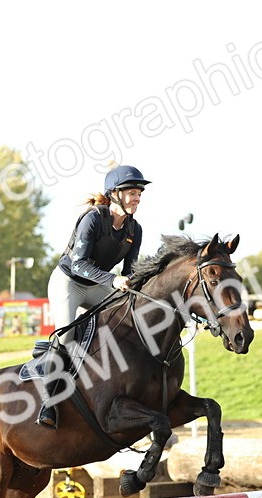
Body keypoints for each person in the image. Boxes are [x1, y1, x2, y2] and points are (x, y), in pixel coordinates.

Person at [38, 165, 150, 428]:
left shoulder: (136, 230)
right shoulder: (92, 219)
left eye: (139, 194)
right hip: (69, 282)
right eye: (132, 192)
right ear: (115, 194)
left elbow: (129, 270)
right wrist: (113, 280)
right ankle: (49, 402)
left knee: (127, 320)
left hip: (98, 284)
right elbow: (78, 264)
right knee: (66, 335)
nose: (137, 198)